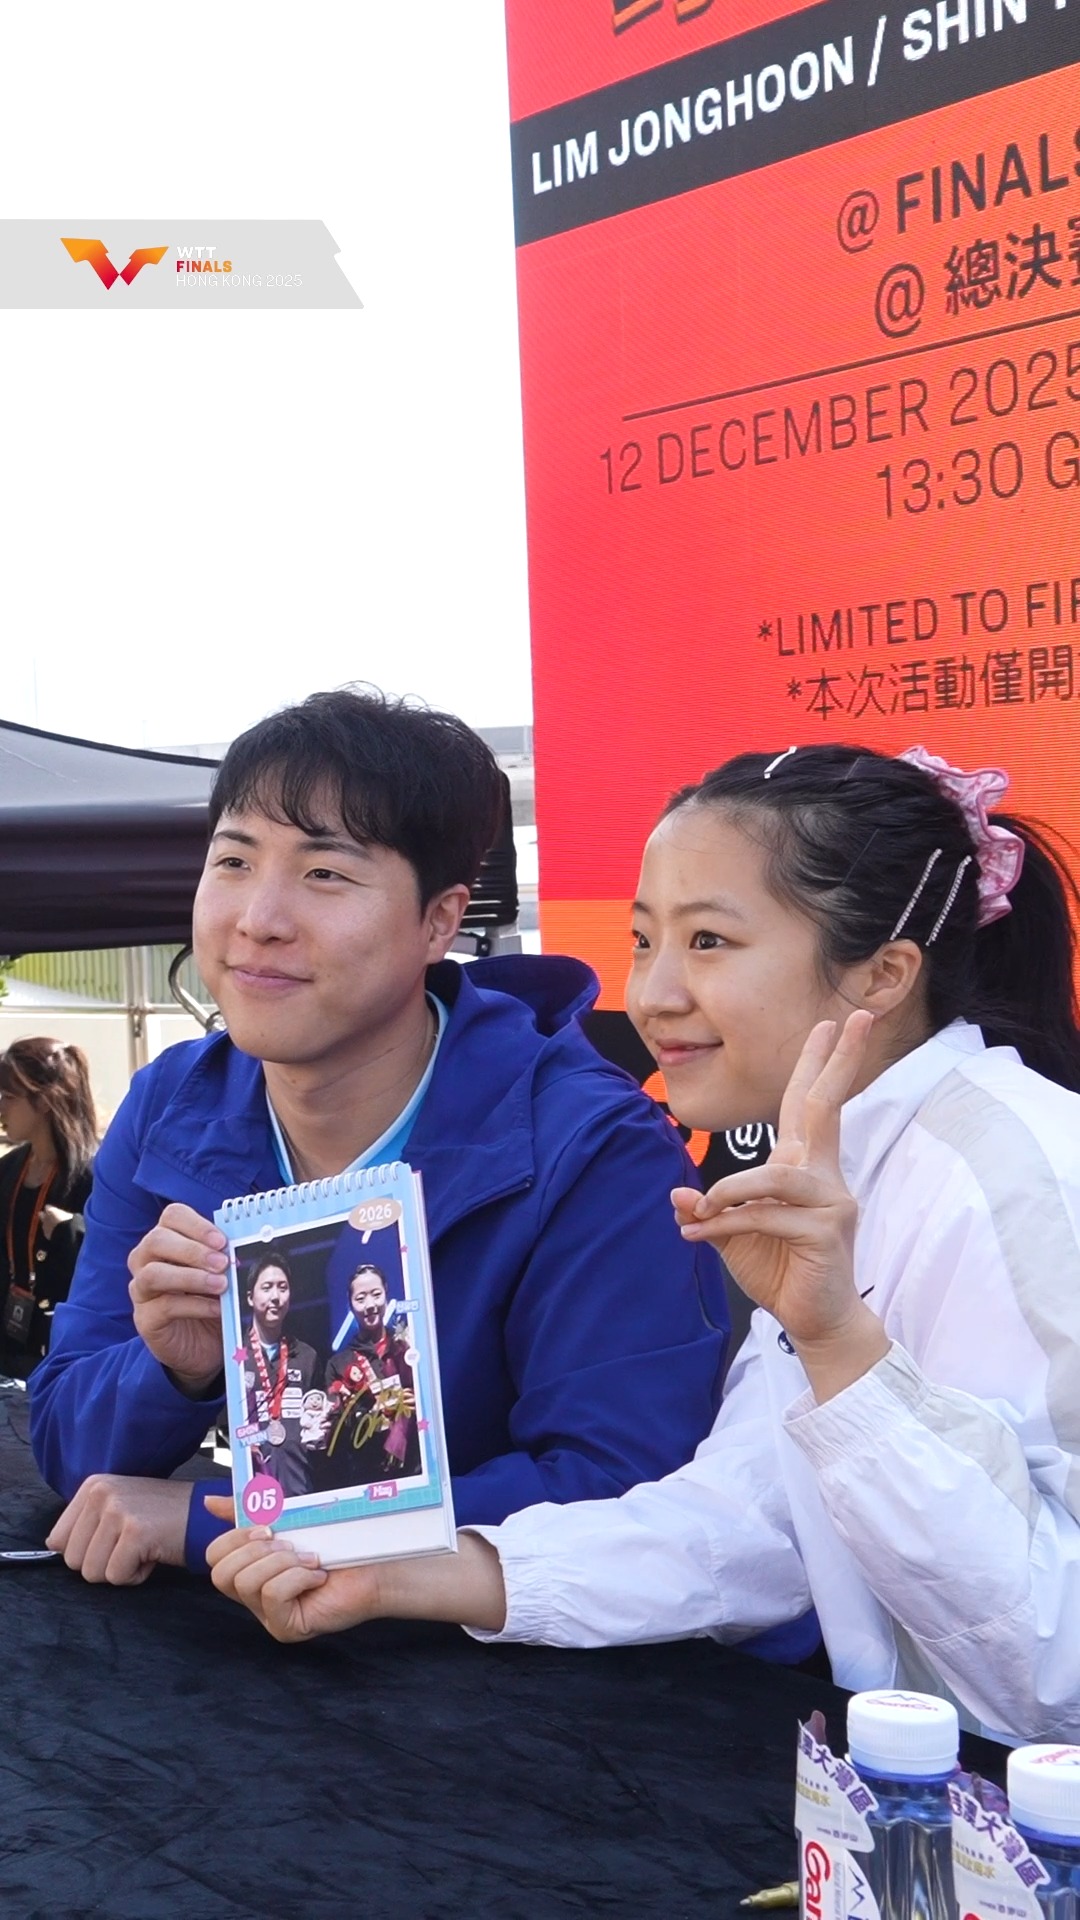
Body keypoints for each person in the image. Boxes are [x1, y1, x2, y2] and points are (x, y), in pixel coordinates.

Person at [209, 742, 1080, 1746]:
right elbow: (750, 1528)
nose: (655, 993)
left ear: (882, 975)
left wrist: (842, 1348)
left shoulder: (1021, 1178)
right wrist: (424, 1572)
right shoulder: (841, 1165)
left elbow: (1054, 1679)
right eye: (643, 940)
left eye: (709, 942)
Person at [34, 688, 730, 1589]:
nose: (259, 918)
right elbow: (66, 1439)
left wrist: (228, 1528)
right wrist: (174, 1371)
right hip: (243, 1671)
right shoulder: (175, 1102)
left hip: (509, 1691)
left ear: (440, 921)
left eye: (326, 874)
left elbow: (624, 1486)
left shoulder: (592, 1147)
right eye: (235, 860)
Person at [0, 1039, 97, 1379]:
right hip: (9, 1352)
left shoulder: (95, 1175)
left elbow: (118, 1257)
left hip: (67, 1357)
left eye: (9, 1098)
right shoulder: (9, 1170)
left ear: (43, 1101)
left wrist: (73, 1229)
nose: (1, 1108)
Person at [322, 1265, 419, 1486]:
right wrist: (373, 1411)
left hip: (417, 1469)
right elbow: (336, 1433)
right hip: (367, 1476)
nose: (370, 1305)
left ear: (386, 1293)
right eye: (360, 1298)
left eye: (376, 1295)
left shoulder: (407, 1347)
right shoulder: (338, 1363)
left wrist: (418, 1401)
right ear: (350, 1304)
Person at [240, 1250, 323, 1497]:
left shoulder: (307, 1356)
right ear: (250, 1298)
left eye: (282, 1287)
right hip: (253, 1492)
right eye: (267, 1288)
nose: (275, 1296)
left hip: (301, 1485)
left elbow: (318, 1419)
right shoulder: (234, 1358)